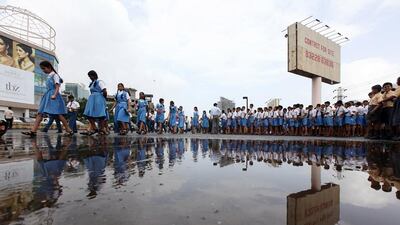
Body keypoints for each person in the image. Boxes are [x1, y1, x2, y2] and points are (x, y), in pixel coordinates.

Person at [22, 61, 73, 137]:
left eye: (44, 68)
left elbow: (57, 87)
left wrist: (54, 95)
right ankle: (33, 131)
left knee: (58, 114)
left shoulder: (55, 75)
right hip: (47, 95)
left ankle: (69, 130)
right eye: (42, 69)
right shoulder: (49, 76)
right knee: (40, 113)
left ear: (49, 67)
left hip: (53, 95)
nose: (43, 70)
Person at [82, 70, 108, 135]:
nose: (90, 77)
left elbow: (104, 91)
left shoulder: (100, 82)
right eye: (89, 76)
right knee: (88, 114)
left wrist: (103, 99)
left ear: (94, 75)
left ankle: (101, 129)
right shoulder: (92, 83)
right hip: (92, 99)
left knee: (100, 115)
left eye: (91, 76)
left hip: (99, 98)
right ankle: (95, 127)